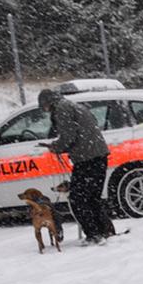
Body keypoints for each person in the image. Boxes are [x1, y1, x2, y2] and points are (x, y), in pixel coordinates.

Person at [39, 89, 116, 242]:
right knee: (93, 197)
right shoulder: (74, 105)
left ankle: (93, 234)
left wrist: (56, 147)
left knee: (78, 199)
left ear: (48, 102)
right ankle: (105, 231)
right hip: (98, 156)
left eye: (44, 107)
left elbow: (69, 136)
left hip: (86, 159)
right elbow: (85, 128)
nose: (45, 110)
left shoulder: (61, 109)